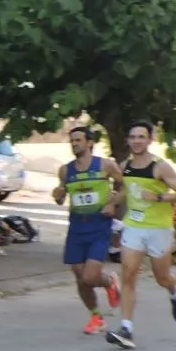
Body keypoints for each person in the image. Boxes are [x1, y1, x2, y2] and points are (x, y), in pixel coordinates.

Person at [108, 121, 176, 350]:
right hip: (133, 225)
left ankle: (174, 290)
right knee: (128, 274)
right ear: (128, 140)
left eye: (141, 137)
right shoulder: (125, 165)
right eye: (133, 137)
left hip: (159, 228)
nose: (136, 141)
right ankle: (126, 329)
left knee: (161, 277)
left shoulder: (160, 167)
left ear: (150, 139)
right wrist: (114, 200)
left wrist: (159, 198)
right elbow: (127, 189)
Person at [50, 126, 122, 335]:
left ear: (89, 142)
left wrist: (113, 203)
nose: (74, 144)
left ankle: (110, 282)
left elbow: (124, 186)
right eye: (72, 141)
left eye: (78, 140)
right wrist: (58, 195)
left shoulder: (106, 165)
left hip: (99, 225)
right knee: (79, 276)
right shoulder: (66, 170)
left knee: (90, 277)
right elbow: (61, 196)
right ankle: (96, 317)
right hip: (76, 227)